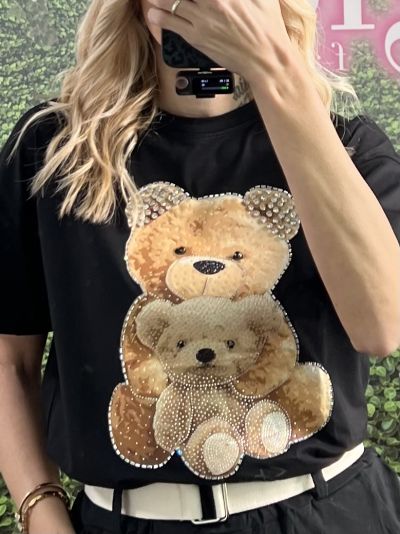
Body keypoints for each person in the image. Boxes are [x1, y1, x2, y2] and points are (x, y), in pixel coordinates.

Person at [0, 0, 400, 533]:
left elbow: (381, 326)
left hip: (325, 510)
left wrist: (275, 70)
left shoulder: (347, 145)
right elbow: (10, 357)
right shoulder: (56, 149)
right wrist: (40, 507)